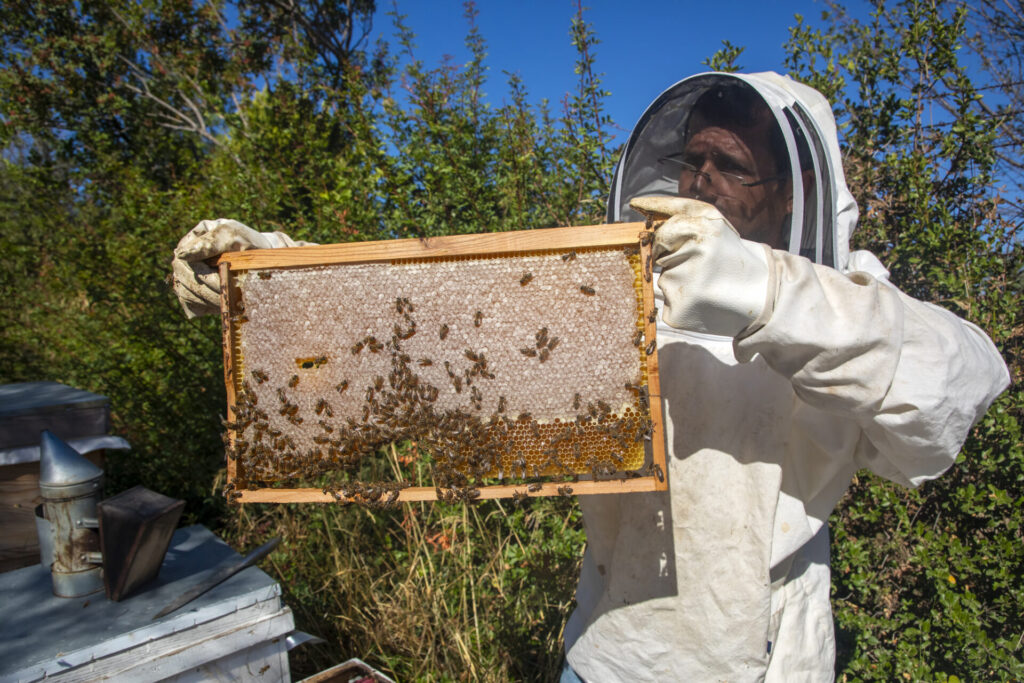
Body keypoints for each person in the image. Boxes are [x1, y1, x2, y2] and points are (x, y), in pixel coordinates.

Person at [171, 72, 1010, 681]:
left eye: (730, 166)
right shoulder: (614, 294)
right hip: (606, 649)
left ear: (792, 193)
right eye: (692, 161)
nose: (699, 183)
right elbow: (433, 340)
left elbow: (959, 383)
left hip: (756, 663)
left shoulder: (840, 295)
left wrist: (760, 289)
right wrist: (274, 285)